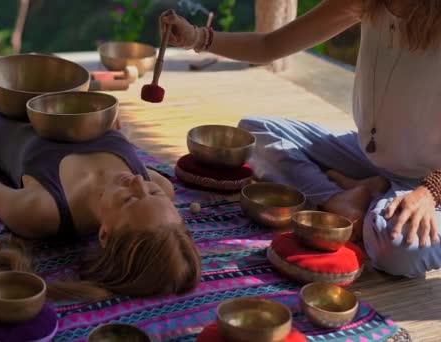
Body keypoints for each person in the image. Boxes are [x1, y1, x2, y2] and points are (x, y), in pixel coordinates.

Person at [0, 39, 201, 300]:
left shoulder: (44, 212)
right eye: (153, 191)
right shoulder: (160, 188)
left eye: (129, 200)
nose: (137, 181)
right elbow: (133, 162)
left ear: (105, 234)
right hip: (55, 106)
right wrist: (120, 136)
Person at [161, 0, 441, 278]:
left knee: (398, 249)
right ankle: (342, 199)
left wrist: (430, 192)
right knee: (255, 133)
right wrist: (196, 37)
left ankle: (371, 196)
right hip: (366, 153)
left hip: (427, 180)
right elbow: (270, 46)